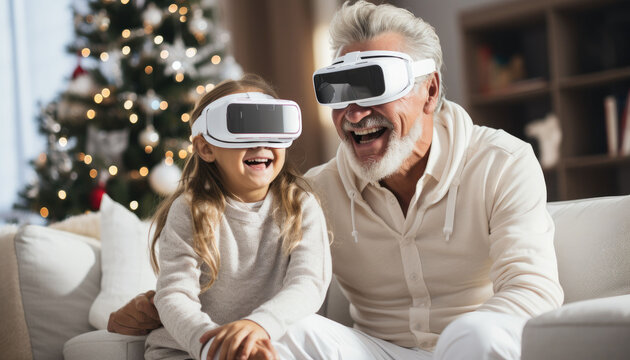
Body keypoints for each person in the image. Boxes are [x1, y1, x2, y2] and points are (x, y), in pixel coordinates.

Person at [110, 2, 564, 359]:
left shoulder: (502, 162)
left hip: (475, 346)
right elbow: (241, 267)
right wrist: (153, 310)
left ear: (430, 91)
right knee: (288, 336)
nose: (355, 113)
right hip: (376, 352)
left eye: (375, 86)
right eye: (341, 91)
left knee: (474, 335)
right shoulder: (315, 192)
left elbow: (531, 289)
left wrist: (467, 338)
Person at [140, 74, 332, 360]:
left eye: (270, 128)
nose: (260, 143)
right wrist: (213, 346)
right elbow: (174, 295)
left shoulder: (300, 205)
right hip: (191, 350)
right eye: (242, 128)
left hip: (269, 342)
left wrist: (258, 325)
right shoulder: (190, 209)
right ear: (206, 147)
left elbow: (308, 283)